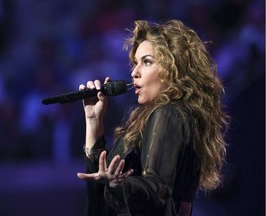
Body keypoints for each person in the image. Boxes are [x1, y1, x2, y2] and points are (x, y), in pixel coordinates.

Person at [76, 19, 229, 216]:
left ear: (173, 69)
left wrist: (120, 184)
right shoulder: (164, 117)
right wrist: (94, 123)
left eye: (147, 62)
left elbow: (157, 190)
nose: (134, 73)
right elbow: (99, 204)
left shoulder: (168, 113)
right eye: (135, 63)